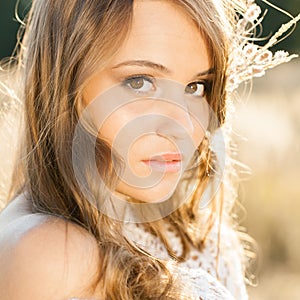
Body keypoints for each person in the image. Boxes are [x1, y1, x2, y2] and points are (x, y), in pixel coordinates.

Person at [0, 0, 297, 299]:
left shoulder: (198, 238)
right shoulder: (47, 253)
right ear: (64, 83)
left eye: (196, 86)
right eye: (139, 82)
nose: (184, 125)